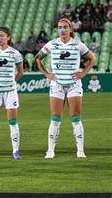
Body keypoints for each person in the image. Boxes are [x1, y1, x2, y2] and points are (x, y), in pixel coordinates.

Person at [35, 18, 96, 159]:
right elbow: (38, 58)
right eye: (59, 27)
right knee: (55, 119)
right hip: (57, 85)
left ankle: (80, 151)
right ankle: (50, 151)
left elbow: (92, 59)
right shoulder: (51, 44)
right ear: (57, 30)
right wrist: (46, 74)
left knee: (76, 119)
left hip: (74, 85)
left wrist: (83, 73)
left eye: (65, 27)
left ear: (70, 29)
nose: (62, 29)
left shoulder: (77, 45)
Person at [0, 27, 23, 159]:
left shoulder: (15, 53)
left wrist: (11, 83)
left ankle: (16, 151)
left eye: (1, 35)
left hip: (10, 92)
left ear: (8, 37)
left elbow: (20, 72)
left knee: (12, 121)